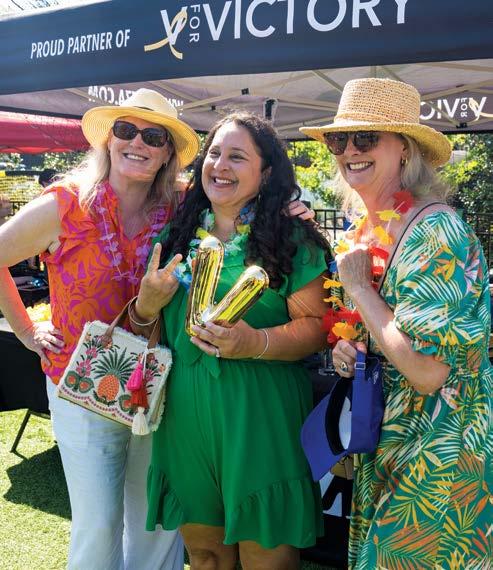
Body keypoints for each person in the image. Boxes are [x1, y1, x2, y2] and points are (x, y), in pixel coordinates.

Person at [0, 88, 200, 570]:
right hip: (81, 387)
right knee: (99, 524)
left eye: (154, 137)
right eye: (126, 130)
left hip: (158, 383)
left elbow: (242, 204)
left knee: (155, 517)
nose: (138, 143)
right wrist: (26, 330)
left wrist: (289, 211)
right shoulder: (64, 205)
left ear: (168, 153)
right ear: (108, 139)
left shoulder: (181, 206)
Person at [301, 78, 493, 569]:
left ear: (405, 148)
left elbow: (429, 371)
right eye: (339, 140)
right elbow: (387, 334)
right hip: (390, 442)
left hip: (439, 452)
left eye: (366, 138)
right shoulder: (370, 229)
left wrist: (361, 291)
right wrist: (351, 351)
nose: (350, 150)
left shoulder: (436, 231)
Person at [130, 111, 331, 569]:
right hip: (184, 420)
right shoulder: (175, 235)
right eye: (214, 153)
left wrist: (252, 343)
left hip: (260, 417)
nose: (220, 165)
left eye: (237, 157)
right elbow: (147, 327)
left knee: (266, 557)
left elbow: (317, 327)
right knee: (204, 556)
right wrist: (146, 305)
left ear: (267, 173)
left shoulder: (291, 237)